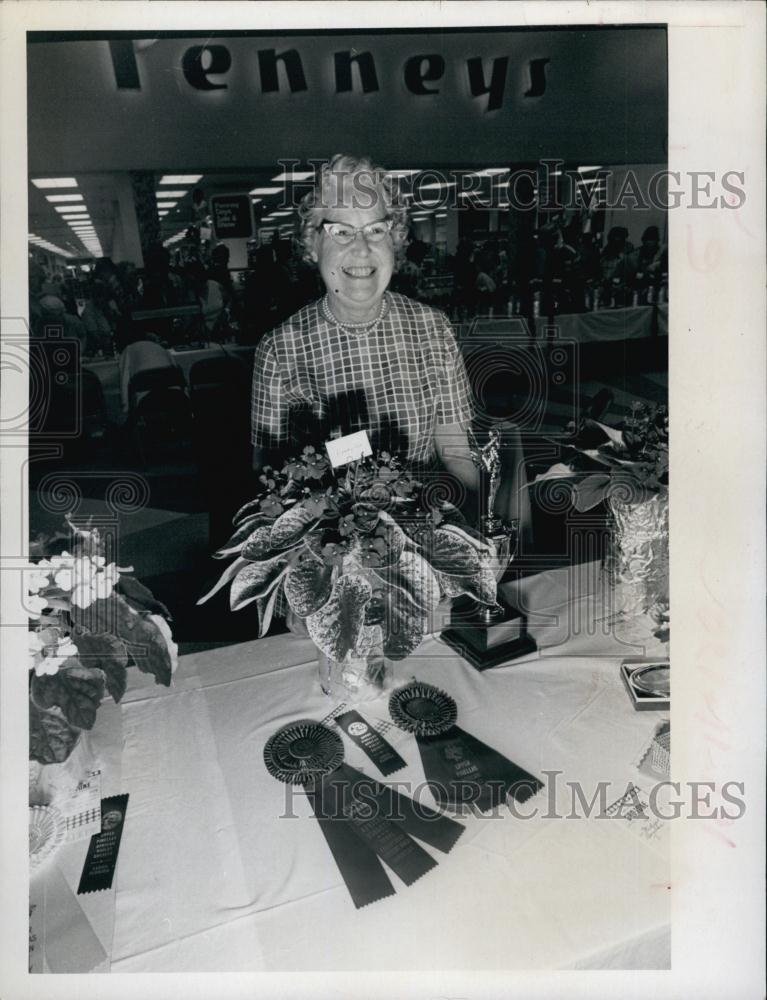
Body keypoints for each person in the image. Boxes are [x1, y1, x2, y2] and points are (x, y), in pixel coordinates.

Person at [250, 154, 481, 509]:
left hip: (423, 526)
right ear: (313, 245)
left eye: (376, 230)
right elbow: (270, 473)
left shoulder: (433, 328)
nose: (361, 249)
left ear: (397, 239)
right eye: (341, 231)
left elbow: (457, 454)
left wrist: (472, 525)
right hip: (329, 537)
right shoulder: (279, 349)